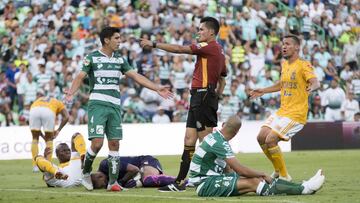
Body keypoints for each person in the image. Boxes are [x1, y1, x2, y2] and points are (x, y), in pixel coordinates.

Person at [65, 27, 172, 192]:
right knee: (97, 143)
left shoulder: (120, 60)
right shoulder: (92, 57)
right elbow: (80, 77)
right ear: (107, 40)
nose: (119, 41)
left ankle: (113, 182)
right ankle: (86, 172)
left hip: (114, 105)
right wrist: (71, 92)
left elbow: (136, 76)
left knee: (114, 143)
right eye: (116, 38)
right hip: (98, 105)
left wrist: (156, 88)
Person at [140, 16, 227, 192]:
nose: (198, 32)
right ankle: (180, 182)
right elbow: (223, 77)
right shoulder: (218, 50)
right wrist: (217, 94)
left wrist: (154, 44)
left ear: (211, 32)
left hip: (203, 96)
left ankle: (224, 174)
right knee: (189, 139)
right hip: (199, 97)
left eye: (201, 29)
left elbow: (180, 49)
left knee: (206, 141)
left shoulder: (208, 46)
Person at [189, 115, 325, 197]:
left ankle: (302, 186)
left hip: (213, 179)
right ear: (236, 132)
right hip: (204, 184)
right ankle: (303, 190)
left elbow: (229, 170)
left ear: (223, 125)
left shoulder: (217, 138)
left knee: (256, 178)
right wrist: (262, 174)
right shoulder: (220, 143)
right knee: (254, 182)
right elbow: (239, 169)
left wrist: (253, 176)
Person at [250, 35, 320, 181]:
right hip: (283, 111)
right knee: (261, 137)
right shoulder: (285, 64)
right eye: (283, 44)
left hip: (296, 114)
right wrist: (263, 90)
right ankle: (277, 170)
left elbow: (315, 82)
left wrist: (311, 87)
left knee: (270, 140)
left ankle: (284, 176)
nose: (284, 47)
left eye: (287, 44)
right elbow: (281, 85)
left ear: (297, 47)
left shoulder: (303, 65)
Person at [30, 89, 69, 172]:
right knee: (49, 140)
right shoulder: (58, 102)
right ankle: (47, 165)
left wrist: (42, 135)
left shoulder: (40, 100)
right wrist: (58, 130)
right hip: (48, 111)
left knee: (35, 138)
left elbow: (37, 130)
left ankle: (35, 166)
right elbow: (66, 117)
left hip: (34, 109)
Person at [91, 155, 176, 189]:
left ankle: (180, 180)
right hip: (139, 172)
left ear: (99, 177)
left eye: (104, 183)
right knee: (146, 182)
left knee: (148, 180)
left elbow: (135, 169)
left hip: (145, 161)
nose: (105, 184)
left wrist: (122, 182)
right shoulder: (105, 177)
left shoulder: (107, 164)